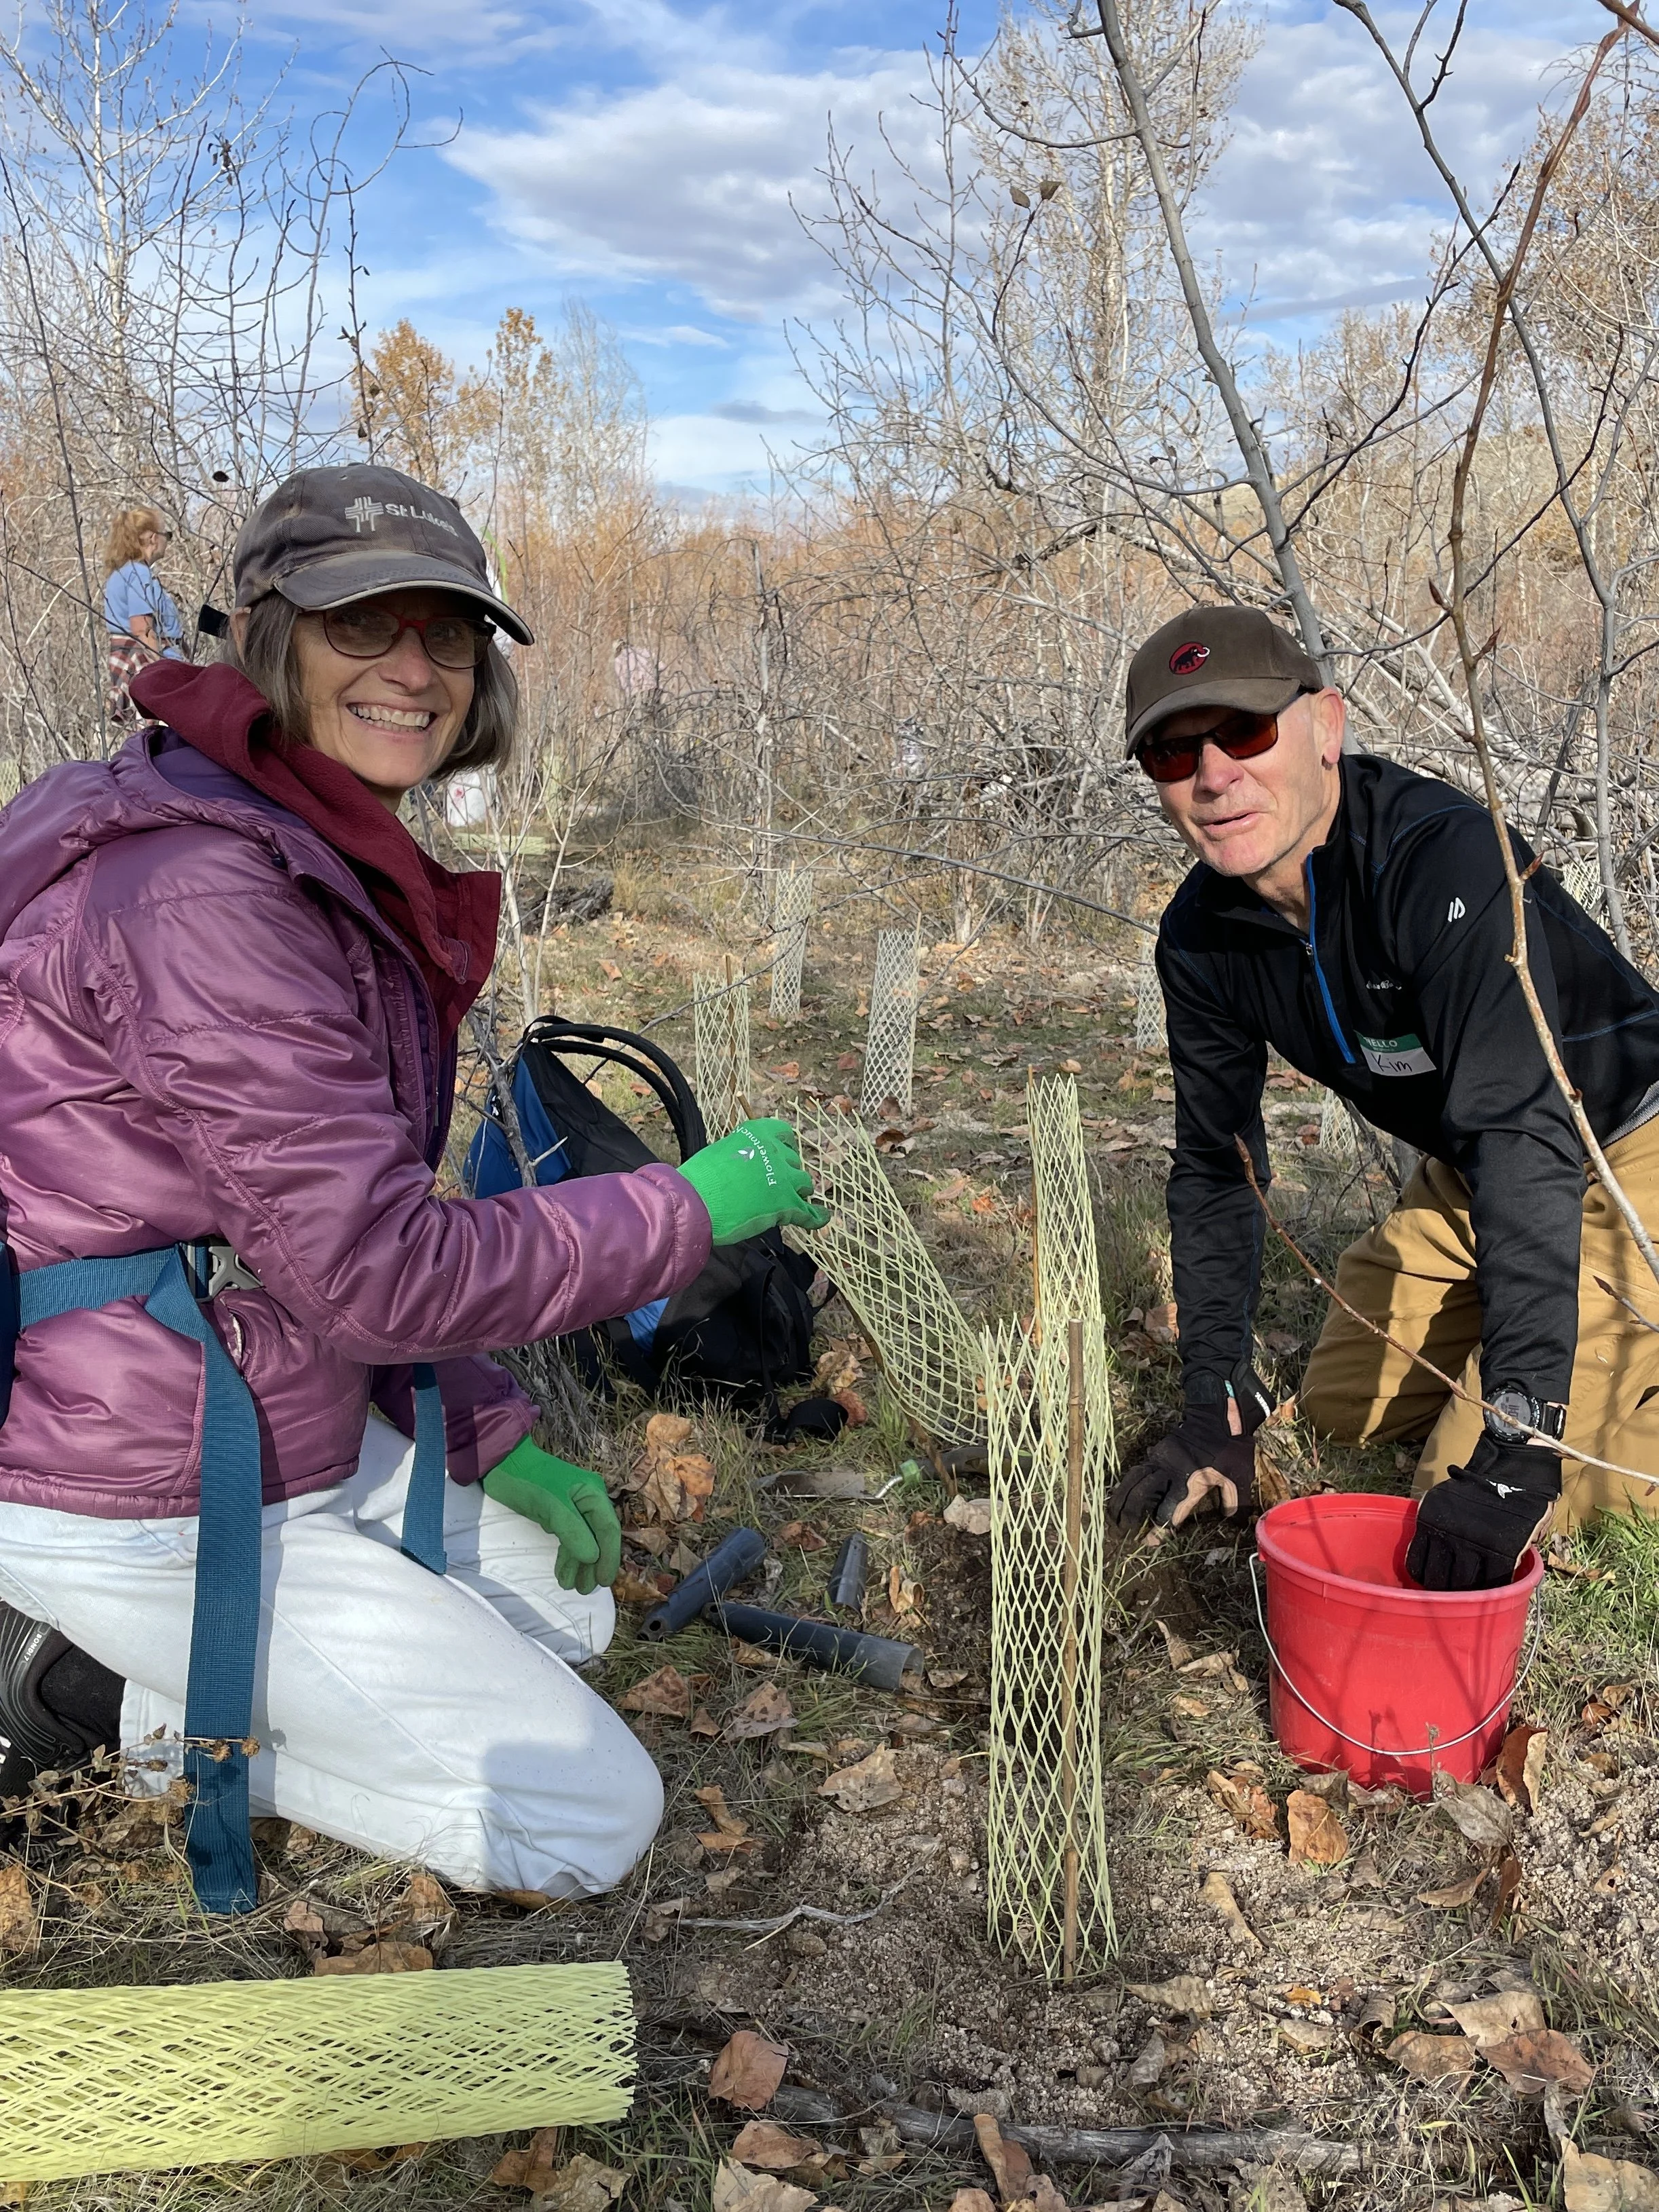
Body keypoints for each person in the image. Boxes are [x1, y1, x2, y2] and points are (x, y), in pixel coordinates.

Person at [0, 462, 827, 1905]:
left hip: (268, 1400)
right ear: (266, 636)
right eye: (359, 626)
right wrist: (688, 1212)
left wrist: (492, 1426)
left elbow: (324, 1223)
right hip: (142, 1466)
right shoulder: (206, 892)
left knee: (569, 1605)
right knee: (584, 1819)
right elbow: (375, 1267)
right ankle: (82, 1687)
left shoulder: (299, 844)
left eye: (445, 635)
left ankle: (163, 1664)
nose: (411, 669)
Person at [1108, 603, 1659, 1590]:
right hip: (1477, 1166)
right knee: (1339, 1407)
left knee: (1471, 1476)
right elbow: (1215, 1167)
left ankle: (1590, 1354)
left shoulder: (1441, 861)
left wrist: (1525, 1430)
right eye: (1172, 752)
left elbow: (1522, 1129)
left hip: (1623, 1134)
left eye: (1243, 731)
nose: (1213, 774)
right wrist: (1214, 1406)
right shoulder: (1201, 937)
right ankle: (1547, 1319)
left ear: (1326, 726)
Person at [102, 506, 188, 722]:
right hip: (146, 664)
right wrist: (157, 680)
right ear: (152, 538)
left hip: (131, 663)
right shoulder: (139, 574)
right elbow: (143, 629)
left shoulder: (121, 574)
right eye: (166, 535)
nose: (167, 540)